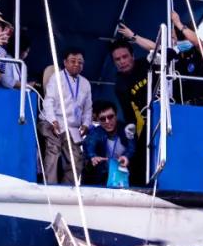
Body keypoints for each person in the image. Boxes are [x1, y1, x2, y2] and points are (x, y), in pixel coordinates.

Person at [41, 48, 92, 184]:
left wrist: (86, 123)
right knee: (53, 154)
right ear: (65, 62)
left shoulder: (86, 83)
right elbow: (49, 101)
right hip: (52, 121)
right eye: (73, 61)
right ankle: (50, 187)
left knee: (76, 160)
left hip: (72, 128)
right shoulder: (56, 77)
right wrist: (52, 120)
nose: (76, 64)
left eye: (80, 62)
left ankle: (67, 189)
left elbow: (88, 108)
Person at [109, 38, 151, 184]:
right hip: (145, 122)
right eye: (117, 59)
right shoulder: (119, 84)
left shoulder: (146, 63)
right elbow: (128, 113)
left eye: (125, 56)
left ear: (132, 56)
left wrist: (134, 36)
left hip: (166, 112)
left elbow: (164, 51)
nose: (122, 61)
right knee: (138, 156)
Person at [82, 101, 135, 186]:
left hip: (123, 175)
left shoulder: (125, 129)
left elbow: (131, 147)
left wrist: (126, 157)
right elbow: (89, 144)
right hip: (102, 178)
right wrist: (93, 156)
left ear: (116, 115)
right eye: (103, 119)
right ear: (98, 120)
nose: (107, 121)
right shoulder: (97, 132)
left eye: (110, 117)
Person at [170, 12, 203, 106]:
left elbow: (197, 42)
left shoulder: (198, 51)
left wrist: (178, 23)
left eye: (174, 37)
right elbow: (153, 47)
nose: (173, 40)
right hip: (179, 106)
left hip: (201, 104)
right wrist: (132, 35)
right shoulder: (175, 53)